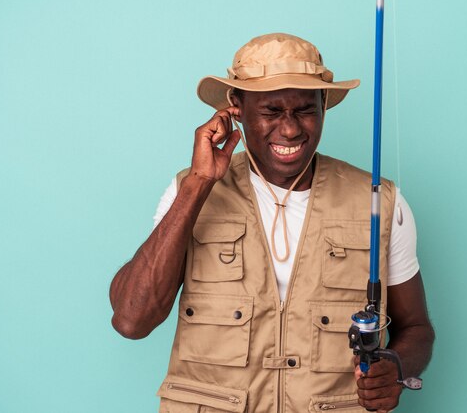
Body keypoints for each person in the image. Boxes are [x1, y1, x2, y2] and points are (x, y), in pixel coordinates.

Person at [110, 33, 434, 413]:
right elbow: (132, 320)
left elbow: (416, 329)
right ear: (236, 107)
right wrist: (199, 185)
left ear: (324, 105)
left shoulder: (379, 201)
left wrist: (395, 367)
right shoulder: (189, 189)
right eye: (271, 111)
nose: (291, 129)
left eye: (305, 110)